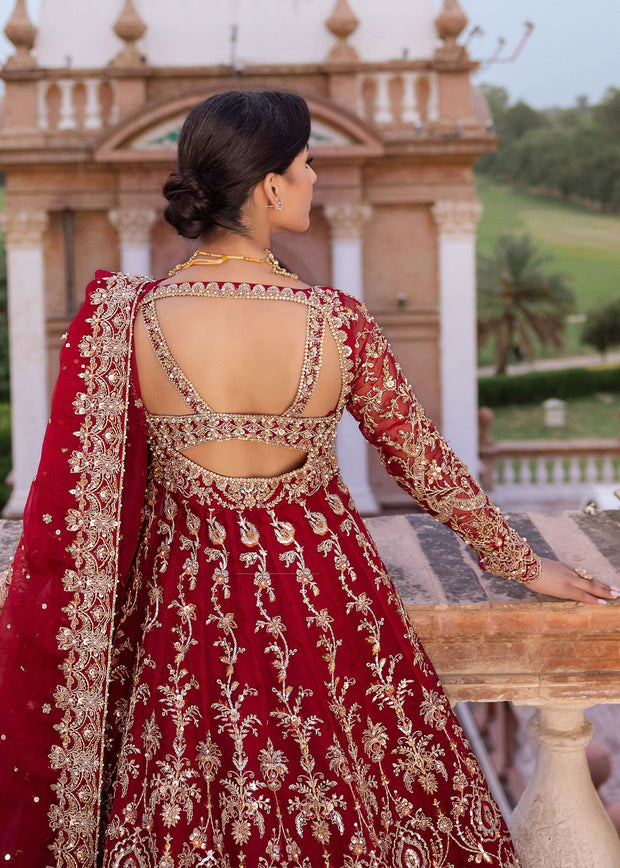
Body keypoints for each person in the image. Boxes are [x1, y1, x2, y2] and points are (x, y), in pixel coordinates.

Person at [0, 90, 615, 868]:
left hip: (185, 617)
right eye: (307, 163)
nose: (316, 177)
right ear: (269, 186)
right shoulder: (337, 321)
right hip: (329, 606)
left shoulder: (132, 318)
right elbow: (425, 464)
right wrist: (526, 563)